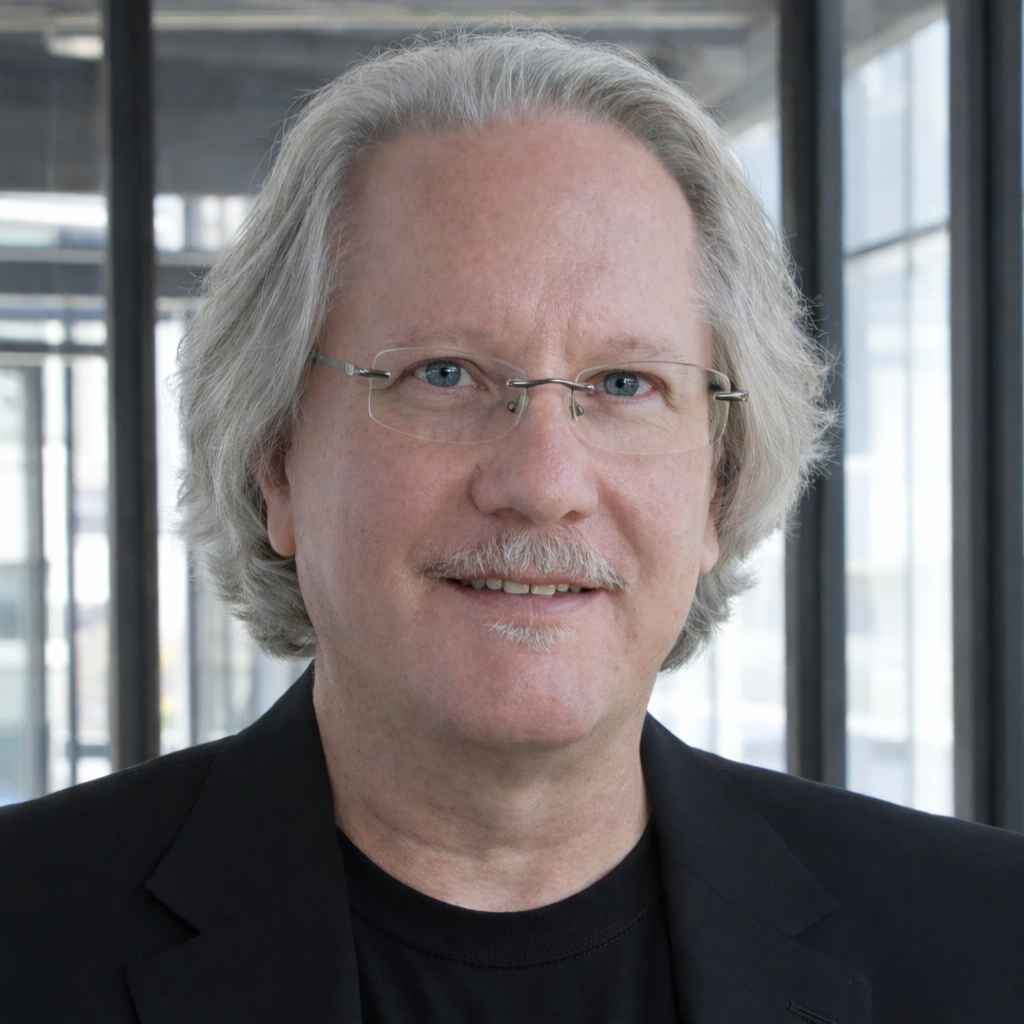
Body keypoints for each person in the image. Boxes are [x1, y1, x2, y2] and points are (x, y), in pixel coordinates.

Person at [1, 30, 1021, 1024]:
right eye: (441, 374)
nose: (542, 481)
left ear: (716, 483)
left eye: (624, 383)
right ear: (276, 460)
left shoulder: (988, 940)